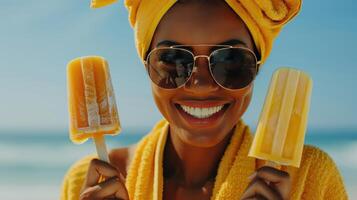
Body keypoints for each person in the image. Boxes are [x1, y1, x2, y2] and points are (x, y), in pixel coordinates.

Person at [61, 0, 348, 199]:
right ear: (147, 66)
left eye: (231, 60)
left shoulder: (311, 178)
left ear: (258, 68)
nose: (200, 84)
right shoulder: (87, 185)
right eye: (173, 60)